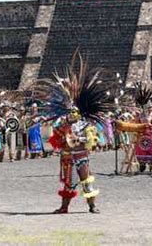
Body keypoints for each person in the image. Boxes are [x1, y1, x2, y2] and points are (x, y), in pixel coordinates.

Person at [38, 53, 115, 214]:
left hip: (81, 156)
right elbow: (55, 139)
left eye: (75, 110)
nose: (73, 112)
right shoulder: (62, 123)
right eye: (71, 110)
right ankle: (64, 206)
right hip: (68, 157)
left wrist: (79, 138)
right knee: (68, 182)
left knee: (87, 181)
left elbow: (90, 139)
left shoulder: (85, 123)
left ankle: (92, 205)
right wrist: (61, 132)